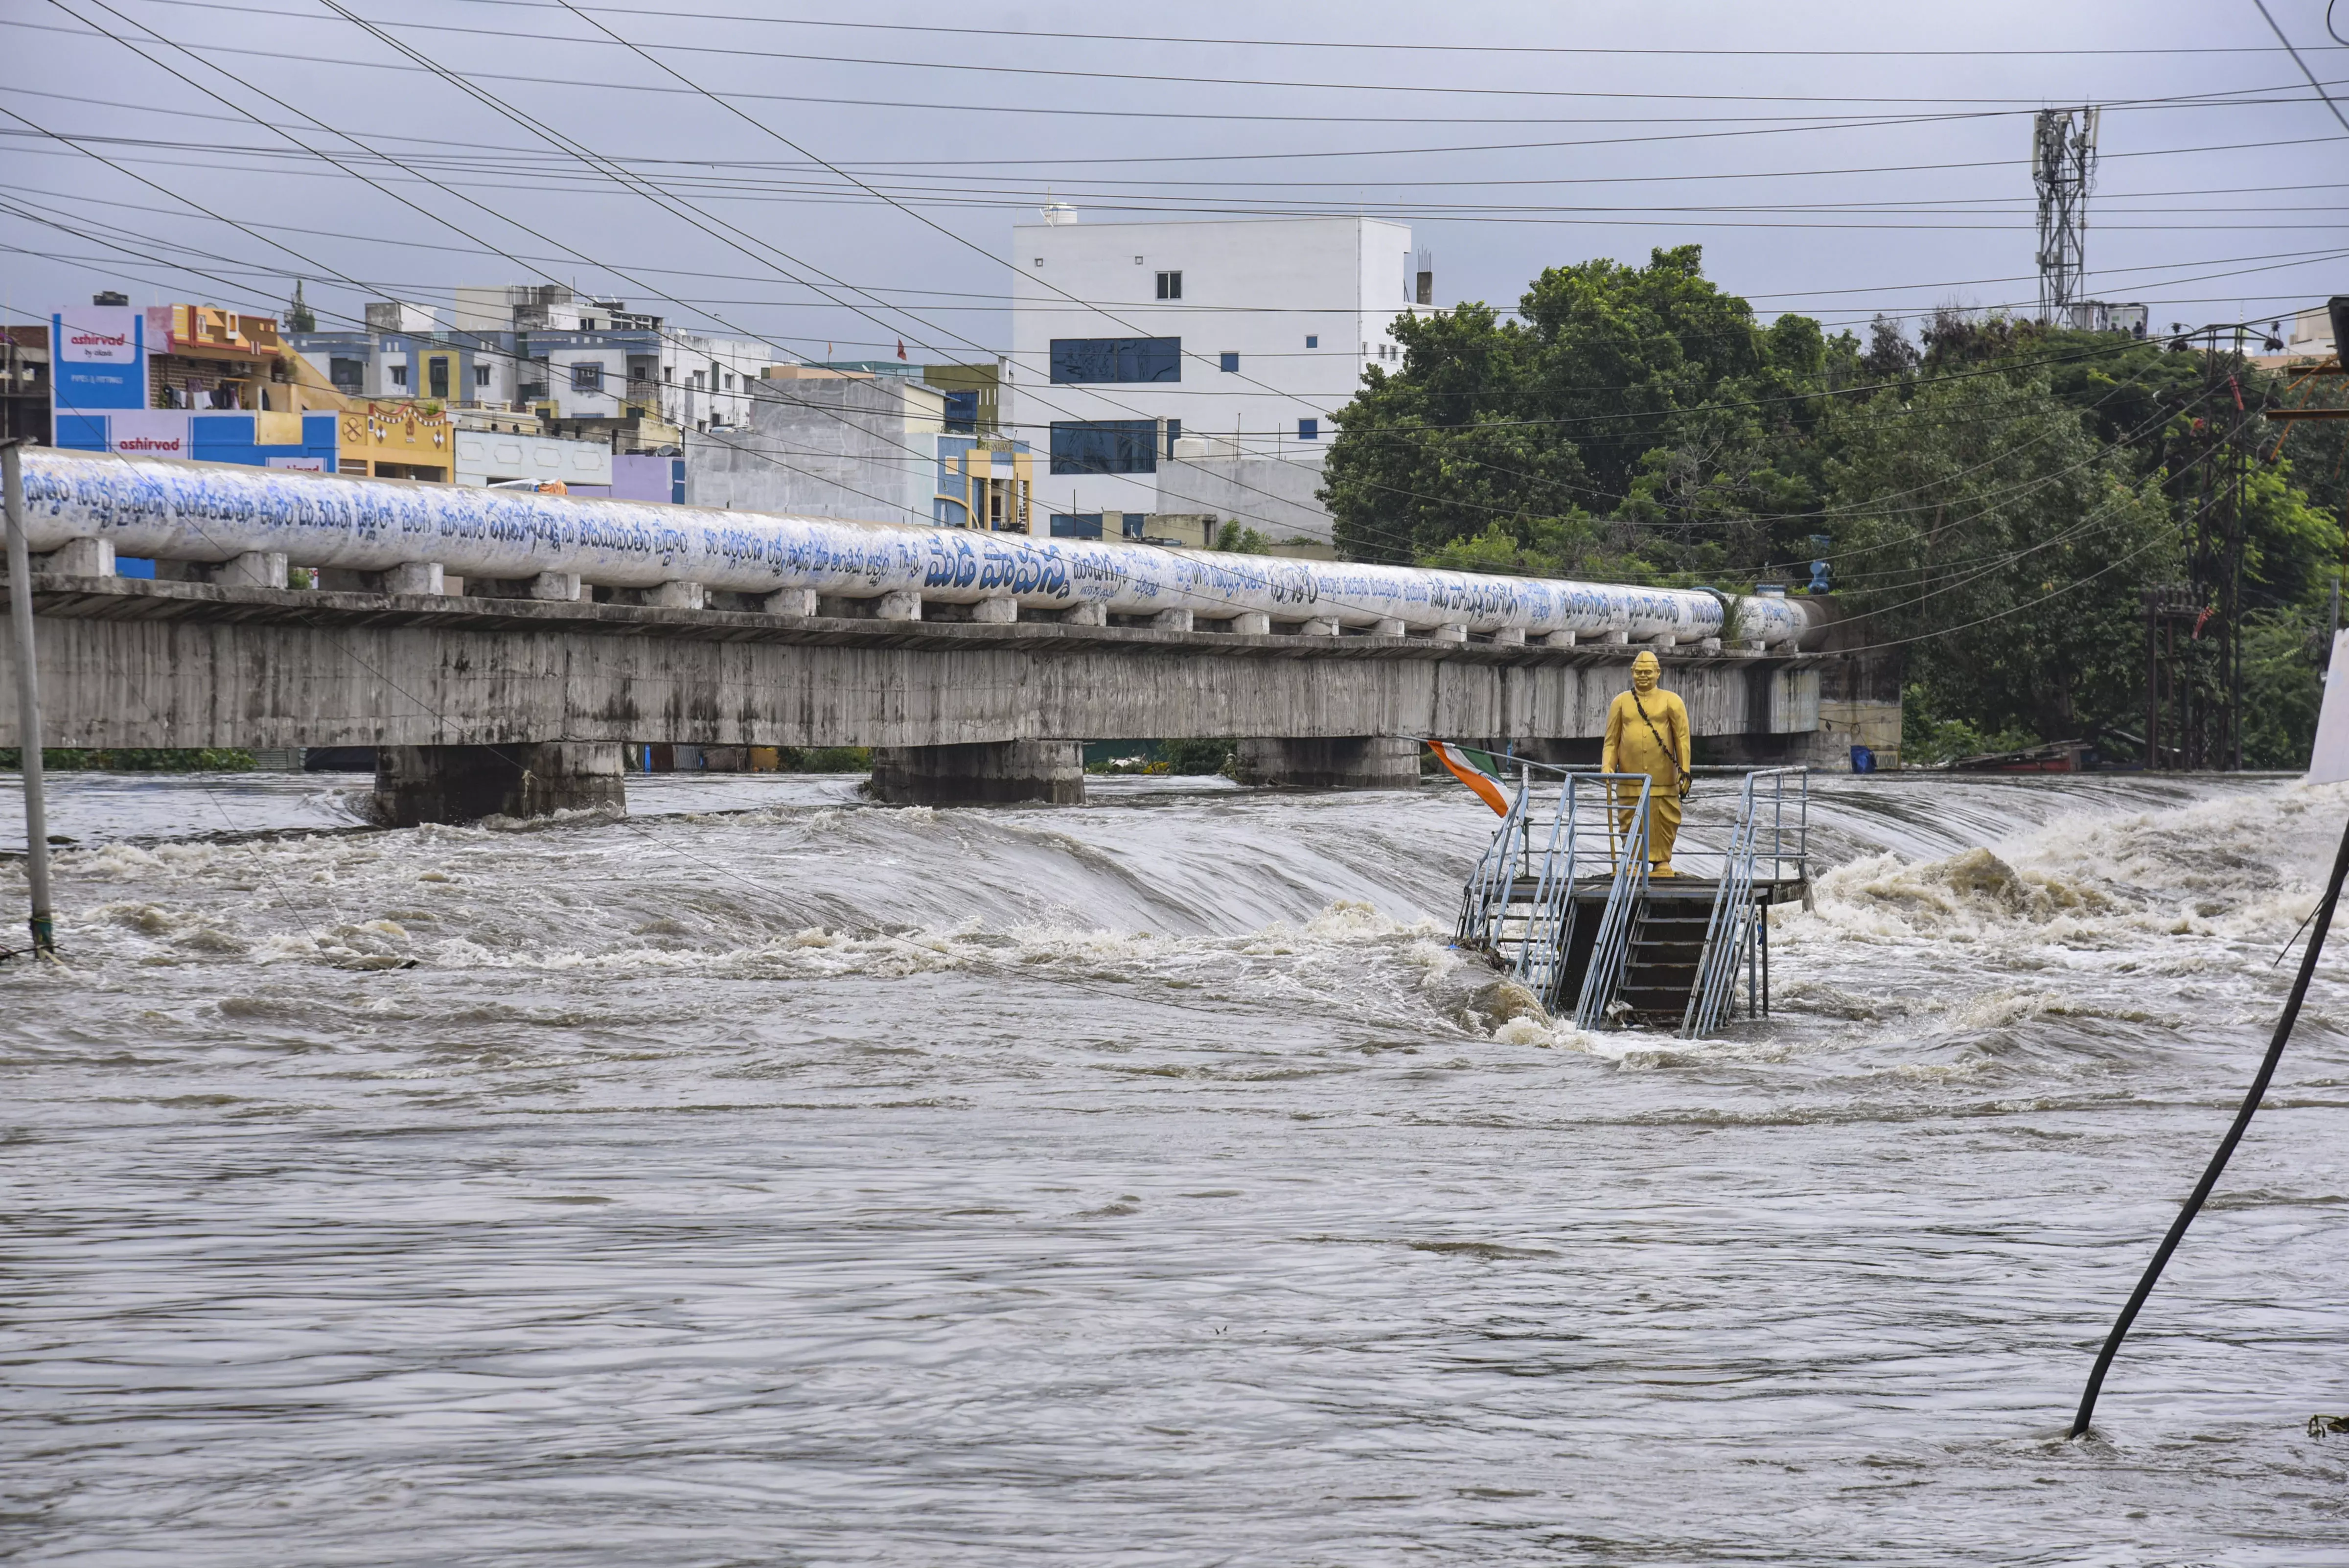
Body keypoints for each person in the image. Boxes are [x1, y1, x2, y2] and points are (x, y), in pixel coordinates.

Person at [1600, 649, 1692, 875]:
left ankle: (1662, 862)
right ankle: (1632, 859)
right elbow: (1611, 741)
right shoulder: (1620, 702)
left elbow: (1682, 738)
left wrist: (1685, 770)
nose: (1643, 676)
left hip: (1663, 778)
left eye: (1648, 672)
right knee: (1630, 817)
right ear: (1632, 672)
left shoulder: (1672, 701)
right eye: (1639, 672)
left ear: (1658, 673)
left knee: (1664, 819)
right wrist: (1607, 767)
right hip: (1629, 778)